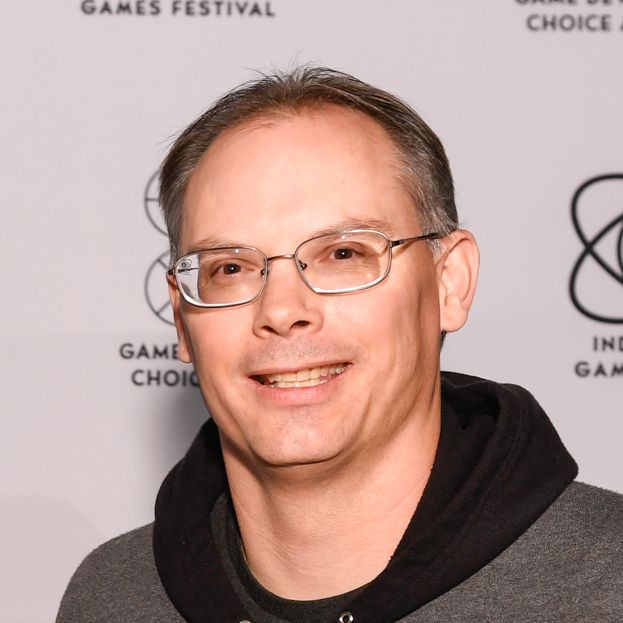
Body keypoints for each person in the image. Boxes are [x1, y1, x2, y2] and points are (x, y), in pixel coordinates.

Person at [57, 66, 623, 623]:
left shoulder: (608, 582)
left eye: (344, 254)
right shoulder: (110, 598)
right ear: (182, 320)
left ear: (450, 283)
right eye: (229, 268)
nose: (282, 311)